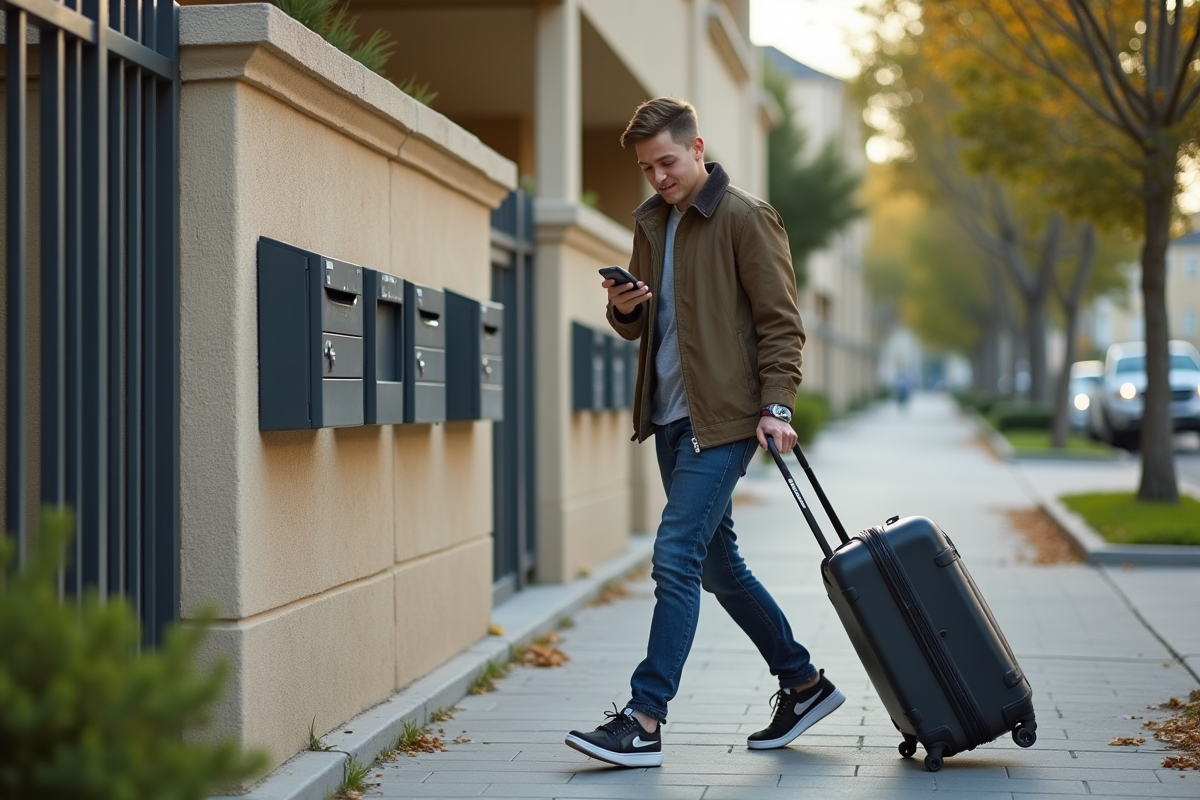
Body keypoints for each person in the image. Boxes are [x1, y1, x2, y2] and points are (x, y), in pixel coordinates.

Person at [564, 97, 844, 768]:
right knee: (720, 568)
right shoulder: (652, 222)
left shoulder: (746, 218)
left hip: (722, 419)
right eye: (645, 167)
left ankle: (645, 716)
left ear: (696, 149)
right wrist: (623, 308)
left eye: (666, 162)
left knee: (675, 555)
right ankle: (804, 683)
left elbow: (780, 323)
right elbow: (648, 329)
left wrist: (777, 406)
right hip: (666, 418)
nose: (656, 177)